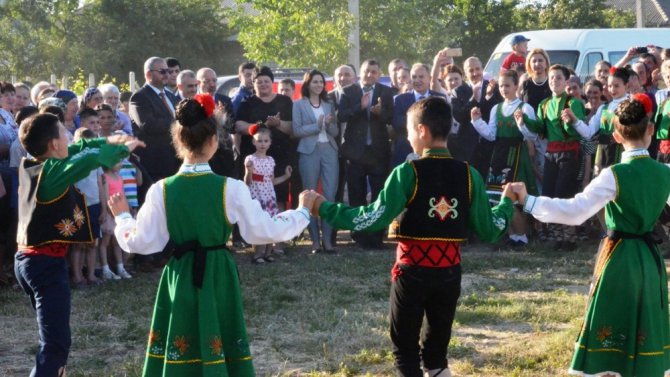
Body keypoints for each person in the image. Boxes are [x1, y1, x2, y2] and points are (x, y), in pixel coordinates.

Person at [110, 94, 313, 376]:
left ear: (178, 142)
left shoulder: (162, 189)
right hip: (218, 272)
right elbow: (263, 230)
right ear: (214, 141)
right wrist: (302, 212)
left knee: (183, 334)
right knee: (219, 336)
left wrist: (122, 217)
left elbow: (143, 242)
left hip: (180, 274)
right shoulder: (229, 188)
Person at [315, 97, 515, 377]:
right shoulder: (470, 176)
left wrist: (323, 207)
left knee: (406, 355)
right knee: (436, 356)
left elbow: (373, 217)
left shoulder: (407, 172)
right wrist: (506, 203)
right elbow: (491, 228)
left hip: (413, 274)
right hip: (449, 274)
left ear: (421, 130)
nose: (406, 137)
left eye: (408, 130)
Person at [514, 95, 670, 377]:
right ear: (649, 130)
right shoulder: (665, 173)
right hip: (650, 261)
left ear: (616, 136)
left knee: (610, 333)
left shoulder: (614, 175)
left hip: (619, 259)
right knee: (643, 328)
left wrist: (529, 202)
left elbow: (575, 211)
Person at [14, 113, 142, 376]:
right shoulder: (54, 172)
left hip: (30, 261)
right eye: (63, 133)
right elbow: (91, 160)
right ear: (53, 144)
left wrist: (106, 139)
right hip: (44, 264)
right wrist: (120, 149)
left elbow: (79, 148)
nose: (68, 137)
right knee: (56, 345)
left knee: (52, 341)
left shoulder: (34, 163)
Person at [516, 64, 586, 250]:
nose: (555, 81)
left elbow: (577, 131)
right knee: (549, 193)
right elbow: (540, 128)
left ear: (566, 81)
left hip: (569, 152)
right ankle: (557, 236)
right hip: (551, 153)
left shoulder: (574, 103)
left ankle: (569, 238)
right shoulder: (544, 104)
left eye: (559, 78)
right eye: (552, 77)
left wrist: (570, 120)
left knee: (565, 193)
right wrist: (524, 121)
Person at [471, 69, 538, 249]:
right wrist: (477, 121)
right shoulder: (496, 108)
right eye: (501, 86)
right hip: (499, 154)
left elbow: (532, 135)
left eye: (507, 85)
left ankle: (521, 237)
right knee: (498, 198)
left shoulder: (525, 108)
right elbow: (492, 135)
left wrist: (522, 124)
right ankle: (511, 235)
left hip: (516, 154)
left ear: (516, 86)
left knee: (515, 199)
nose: (503, 89)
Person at [337, 59, 394, 249]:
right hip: (355, 153)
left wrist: (380, 112)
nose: (370, 75)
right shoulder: (349, 91)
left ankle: (377, 236)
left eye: (374, 72)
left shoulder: (385, 92)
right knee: (356, 195)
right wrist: (359, 107)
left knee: (379, 196)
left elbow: (391, 118)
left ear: (379, 74)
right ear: (360, 72)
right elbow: (341, 115)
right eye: (367, 71)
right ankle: (360, 235)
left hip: (378, 152)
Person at [292, 70, 338, 254]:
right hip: (309, 151)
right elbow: (296, 130)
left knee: (330, 194)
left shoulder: (329, 104)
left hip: (329, 150)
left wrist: (328, 124)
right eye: (315, 82)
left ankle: (327, 241)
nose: (319, 85)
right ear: (307, 84)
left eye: (321, 82)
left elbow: (334, 132)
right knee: (309, 195)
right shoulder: (298, 104)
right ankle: (315, 242)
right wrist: (317, 125)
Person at [244, 124, 293, 262]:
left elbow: (271, 181)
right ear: (254, 142)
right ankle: (258, 253)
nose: (262, 144)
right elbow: (247, 182)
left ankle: (268, 252)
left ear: (270, 143)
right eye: (259, 141)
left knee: (269, 223)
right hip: (257, 196)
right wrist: (249, 172)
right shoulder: (250, 159)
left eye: (266, 141)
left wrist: (285, 177)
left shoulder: (271, 160)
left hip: (269, 197)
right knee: (259, 224)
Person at [129, 57, 179, 182]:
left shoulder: (171, 96)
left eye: (168, 71)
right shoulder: (140, 97)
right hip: (156, 164)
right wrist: (178, 123)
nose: (167, 74)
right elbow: (148, 125)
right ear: (148, 74)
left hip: (176, 160)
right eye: (162, 71)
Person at [392, 63, 446, 167]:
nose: (417, 80)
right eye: (414, 77)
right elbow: (397, 122)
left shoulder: (439, 99)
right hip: (405, 150)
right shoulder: (400, 99)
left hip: (433, 151)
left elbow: (442, 123)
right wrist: (424, 121)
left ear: (429, 78)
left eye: (421, 77)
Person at [70, 128, 106, 288]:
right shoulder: (71, 162)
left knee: (93, 243)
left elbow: (100, 185)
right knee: (78, 243)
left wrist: (104, 209)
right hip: (78, 207)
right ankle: (77, 277)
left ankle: (91, 274)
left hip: (94, 205)